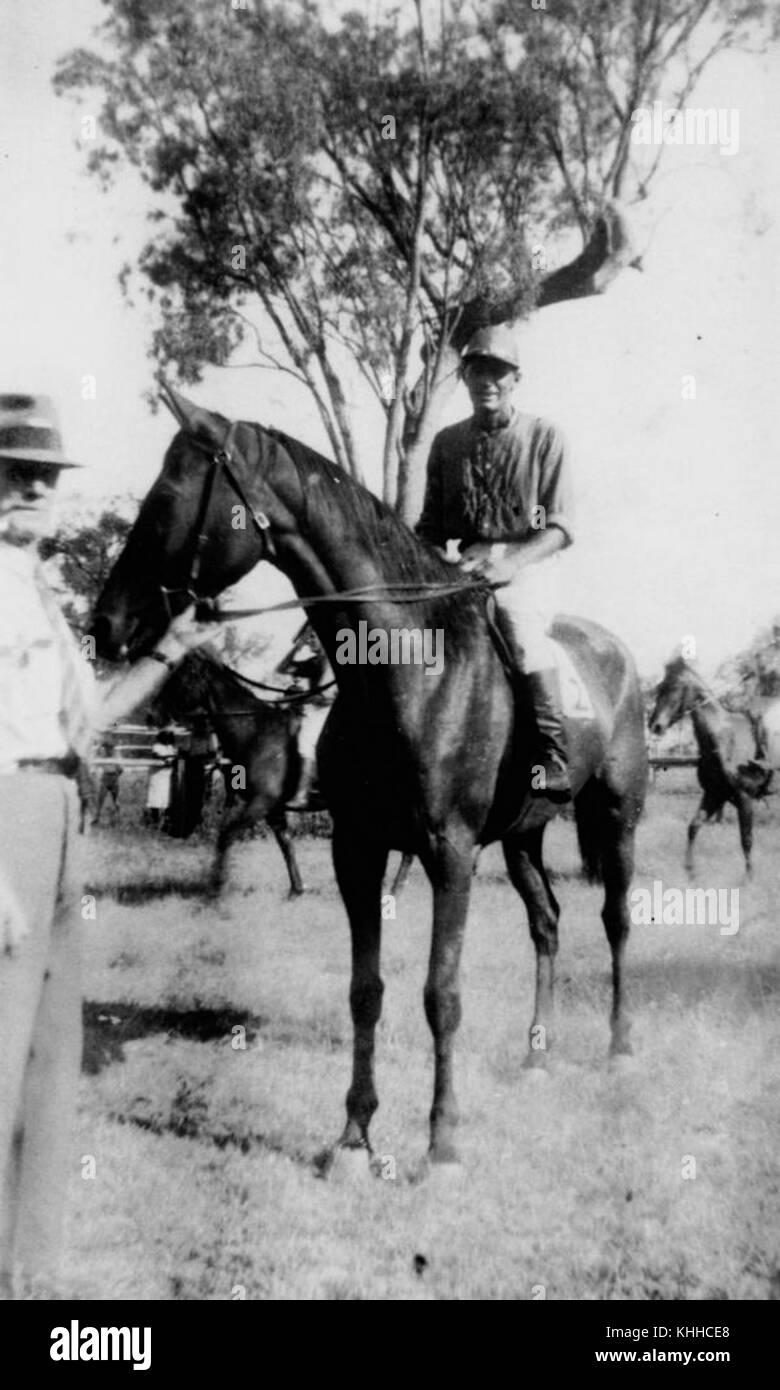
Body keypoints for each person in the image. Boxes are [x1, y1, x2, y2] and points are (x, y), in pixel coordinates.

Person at [0, 392, 213, 1297]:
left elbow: (84, 725)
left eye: (50, 476)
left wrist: (171, 651)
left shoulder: (37, 592)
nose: (39, 490)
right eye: (19, 474)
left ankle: (30, 1274)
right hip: (4, 816)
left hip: (59, 811)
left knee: (50, 1062)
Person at [415, 325, 575, 801]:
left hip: (529, 565)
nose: (488, 380)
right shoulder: (446, 443)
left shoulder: (545, 436)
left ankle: (553, 752)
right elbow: (429, 526)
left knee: (519, 625)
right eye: (477, 371)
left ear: (516, 379)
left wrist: (512, 564)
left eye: (498, 372)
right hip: (464, 565)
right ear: (464, 378)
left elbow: (561, 526)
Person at [278, 623, 334, 809]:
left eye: (312, 637)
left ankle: (303, 794)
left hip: (328, 710)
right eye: (308, 638)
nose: (309, 640)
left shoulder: (333, 660)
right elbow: (283, 669)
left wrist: (300, 698)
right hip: (312, 709)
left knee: (306, 741)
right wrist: (297, 647)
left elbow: (326, 696)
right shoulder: (314, 662)